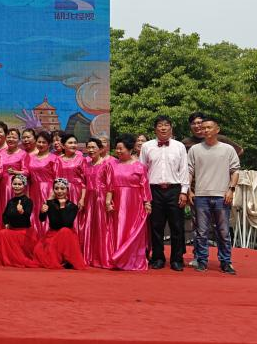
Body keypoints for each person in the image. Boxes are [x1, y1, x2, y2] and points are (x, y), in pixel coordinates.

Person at [187, 115, 240, 274]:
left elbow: (235, 171)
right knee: (201, 232)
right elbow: (189, 171)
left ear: (217, 129)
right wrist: (189, 190)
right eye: (203, 128)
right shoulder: (195, 149)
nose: (205, 130)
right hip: (200, 195)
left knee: (223, 232)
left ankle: (226, 262)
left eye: (209, 127)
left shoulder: (228, 149)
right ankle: (201, 260)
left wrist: (231, 189)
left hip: (221, 196)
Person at [139, 116, 190, 271]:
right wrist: (144, 195)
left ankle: (177, 259)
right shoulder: (146, 146)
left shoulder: (179, 146)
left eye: (166, 125)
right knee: (156, 226)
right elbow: (142, 171)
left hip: (174, 190)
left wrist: (184, 192)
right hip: (153, 190)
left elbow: (184, 170)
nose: (163, 128)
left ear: (171, 128)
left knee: (177, 226)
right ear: (155, 129)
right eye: (160, 125)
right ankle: (158, 258)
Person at [106, 135, 152, 271]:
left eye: (121, 149)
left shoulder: (140, 166)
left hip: (135, 202)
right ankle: (118, 258)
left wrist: (147, 203)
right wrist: (108, 201)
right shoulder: (111, 165)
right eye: (117, 148)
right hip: (118, 201)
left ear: (130, 149)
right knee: (119, 229)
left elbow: (145, 186)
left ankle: (134, 259)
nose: (118, 151)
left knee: (134, 230)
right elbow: (109, 185)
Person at [38, 178, 89, 270]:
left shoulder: (72, 206)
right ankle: (61, 260)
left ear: (67, 190)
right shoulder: (49, 203)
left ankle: (67, 259)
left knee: (65, 231)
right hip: (52, 234)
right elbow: (42, 219)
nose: (59, 191)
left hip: (67, 236)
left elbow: (66, 223)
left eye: (62, 188)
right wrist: (42, 212)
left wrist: (62, 207)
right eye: (56, 188)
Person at [81, 137, 113, 268]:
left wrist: (108, 201)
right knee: (90, 227)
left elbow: (110, 185)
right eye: (88, 147)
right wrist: (82, 199)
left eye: (93, 147)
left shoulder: (106, 164)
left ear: (100, 149)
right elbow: (83, 183)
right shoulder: (85, 164)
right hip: (89, 199)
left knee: (102, 227)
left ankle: (103, 257)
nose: (91, 150)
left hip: (101, 198)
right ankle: (89, 257)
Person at [0, 175, 37, 268]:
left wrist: (22, 211)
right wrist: (6, 223)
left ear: (24, 186)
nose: (17, 186)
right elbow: (5, 215)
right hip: (12, 231)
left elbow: (27, 215)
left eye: (19, 184)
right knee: (2, 233)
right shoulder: (11, 201)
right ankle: (8, 259)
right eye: (15, 184)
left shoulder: (28, 201)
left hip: (23, 232)